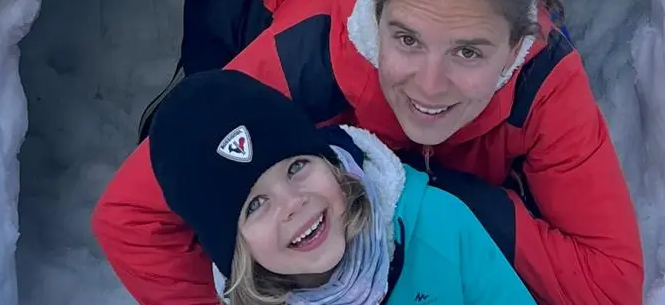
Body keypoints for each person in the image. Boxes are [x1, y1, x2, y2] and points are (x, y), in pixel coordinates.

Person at [92, 0, 644, 304]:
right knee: (215, 151)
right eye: (406, 39)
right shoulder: (305, 59)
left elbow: (610, 285)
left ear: (518, 43)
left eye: (469, 52)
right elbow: (130, 220)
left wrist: (443, 202)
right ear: (374, 19)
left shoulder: (542, 77)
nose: (429, 86)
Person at [147, 68, 537, 304]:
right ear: (233, 247)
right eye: (255, 204)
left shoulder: (438, 226)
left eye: (296, 166)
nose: (293, 203)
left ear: (331, 163)